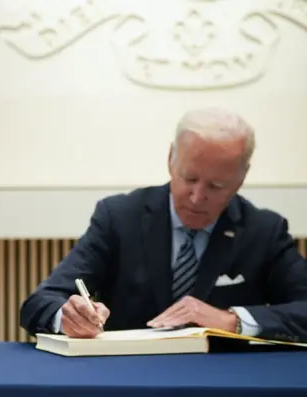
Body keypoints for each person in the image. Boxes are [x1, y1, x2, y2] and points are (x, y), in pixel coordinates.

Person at [20, 107, 307, 343]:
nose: (197, 198)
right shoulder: (119, 217)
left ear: (242, 178)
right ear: (171, 159)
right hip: (128, 379)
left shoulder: (263, 231)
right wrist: (69, 316)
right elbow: (40, 302)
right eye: (189, 179)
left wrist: (232, 320)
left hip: (224, 383)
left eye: (217, 185)